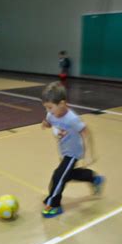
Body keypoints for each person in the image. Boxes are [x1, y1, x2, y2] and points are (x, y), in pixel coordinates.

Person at [41, 81, 105, 218]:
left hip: (74, 153)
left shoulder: (72, 119)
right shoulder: (51, 114)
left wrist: (89, 154)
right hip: (64, 151)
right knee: (67, 174)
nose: (48, 111)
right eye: (46, 108)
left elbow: (87, 133)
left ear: (62, 104)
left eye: (50, 107)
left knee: (58, 175)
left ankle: (54, 204)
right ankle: (94, 178)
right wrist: (45, 124)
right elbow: (49, 121)